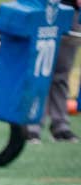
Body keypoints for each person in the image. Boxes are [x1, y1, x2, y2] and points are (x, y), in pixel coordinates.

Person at [27, 0, 80, 143]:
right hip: (41, 7)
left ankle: (60, 125)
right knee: (38, 69)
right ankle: (32, 124)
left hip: (70, 10)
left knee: (62, 72)